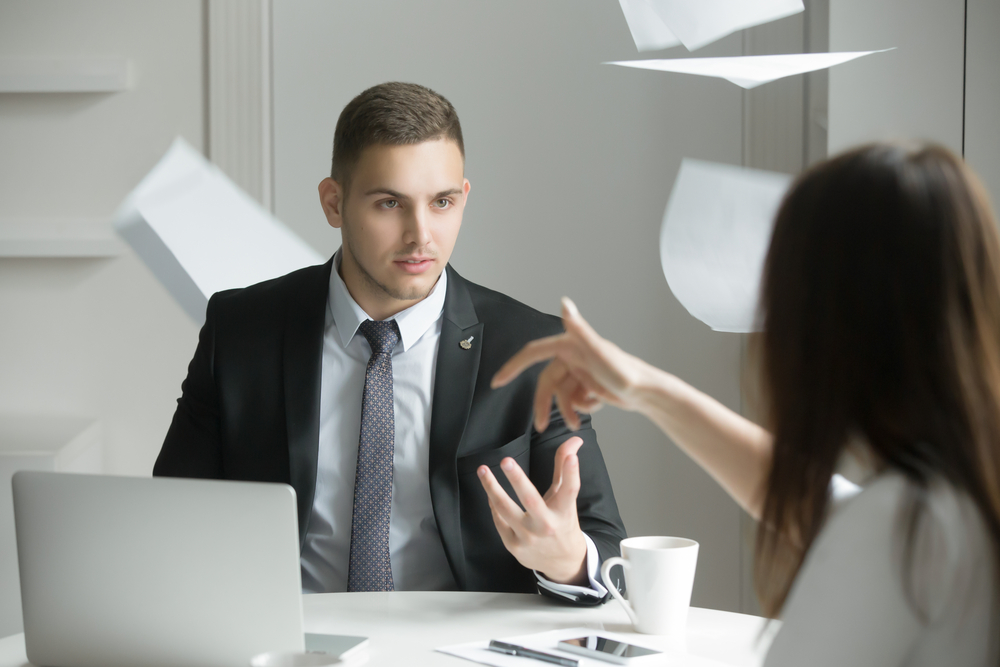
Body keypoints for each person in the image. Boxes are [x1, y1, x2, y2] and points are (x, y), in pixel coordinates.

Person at [491, 143, 1000, 664]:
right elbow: (819, 504)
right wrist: (646, 389)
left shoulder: (903, 531)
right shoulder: (955, 502)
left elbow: (858, 525)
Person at [153, 82, 626, 602]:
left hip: (458, 651)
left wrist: (569, 561)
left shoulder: (532, 347)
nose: (420, 235)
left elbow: (605, 544)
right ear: (334, 203)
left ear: (463, 197)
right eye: (389, 204)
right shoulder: (240, 330)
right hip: (295, 643)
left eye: (442, 202)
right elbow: (172, 521)